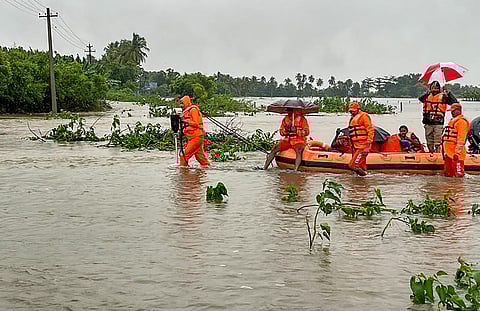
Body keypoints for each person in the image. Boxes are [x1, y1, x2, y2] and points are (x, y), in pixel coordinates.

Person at [419, 81, 458, 153]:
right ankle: (431, 153)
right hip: (428, 123)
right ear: (430, 88)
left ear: (439, 88)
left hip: (438, 123)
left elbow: (455, 102)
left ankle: (438, 153)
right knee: (429, 141)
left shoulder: (443, 96)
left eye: (437, 88)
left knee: (437, 142)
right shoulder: (427, 96)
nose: (435, 89)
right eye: (433, 87)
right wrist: (427, 92)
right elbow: (420, 99)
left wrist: (448, 93)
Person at [179, 96, 209, 167]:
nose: (181, 106)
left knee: (184, 156)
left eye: (182, 103)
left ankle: (184, 172)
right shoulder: (187, 111)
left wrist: (185, 121)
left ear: (186, 102)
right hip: (192, 137)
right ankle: (207, 170)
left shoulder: (193, 110)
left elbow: (196, 123)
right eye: (181, 104)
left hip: (196, 137)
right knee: (201, 158)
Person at [441, 103, 469, 177]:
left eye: (453, 111)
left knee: (458, 174)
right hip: (449, 151)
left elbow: (461, 138)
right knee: (448, 173)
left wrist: (457, 153)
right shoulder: (453, 121)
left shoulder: (462, 122)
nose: (451, 113)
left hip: (456, 153)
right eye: (451, 111)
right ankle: (450, 187)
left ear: (458, 111)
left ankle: (459, 187)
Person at [348, 101, 374, 176]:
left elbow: (370, 130)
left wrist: (368, 144)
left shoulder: (364, 116)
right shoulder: (352, 118)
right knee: (361, 166)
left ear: (358, 109)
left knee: (352, 165)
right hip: (355, 146)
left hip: (362, 146)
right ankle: (361, 185)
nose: (352, 112)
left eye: (353, 111)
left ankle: (366, 177)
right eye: (350, 111)